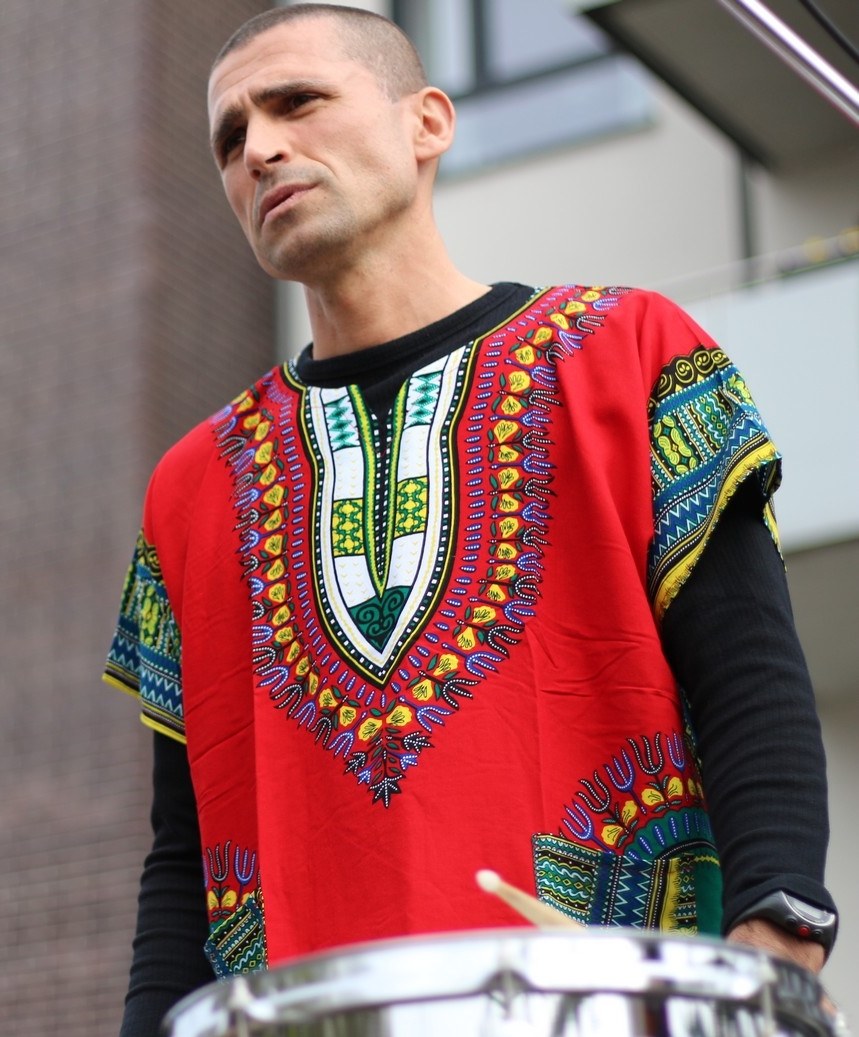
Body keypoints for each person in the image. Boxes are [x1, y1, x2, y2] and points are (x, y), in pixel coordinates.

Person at [102, 6, 838, 1034]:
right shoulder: (189, 488)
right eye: (229, 138)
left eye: (297, 103)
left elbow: (749, 680)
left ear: (428, 124)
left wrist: (775, 938)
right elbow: (187, 848)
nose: (259, 147)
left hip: (610, 1006)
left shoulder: (630, 356)